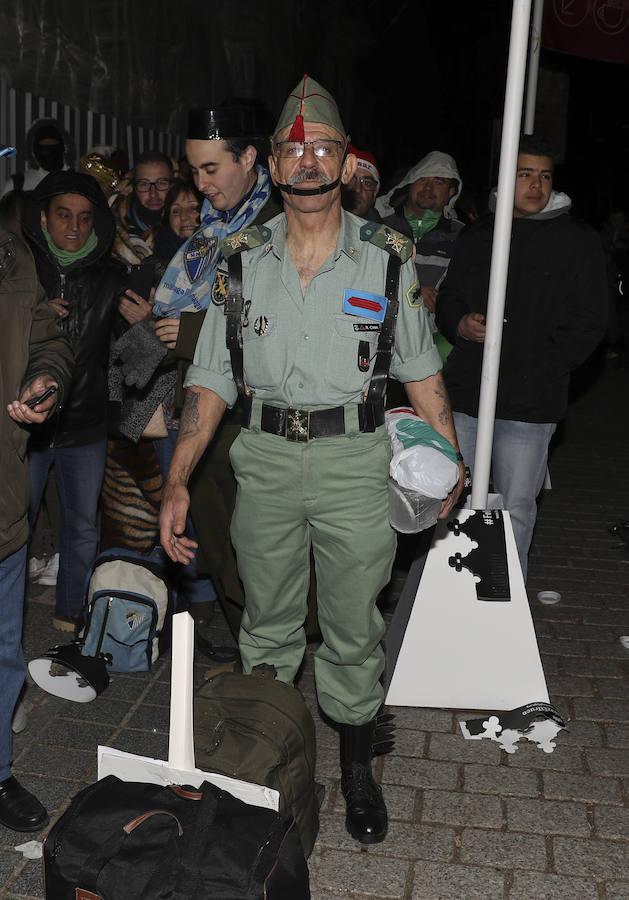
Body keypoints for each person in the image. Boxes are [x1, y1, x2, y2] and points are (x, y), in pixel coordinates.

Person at [160, 75, 465, 845]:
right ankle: (267, 764)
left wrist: (451, 462)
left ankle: (357, 769)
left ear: (343, 160)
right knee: (266, 624)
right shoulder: (237, 259)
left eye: (321, 149)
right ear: (272, 160)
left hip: (355, 464)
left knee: (351, 626)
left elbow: (423, 372)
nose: (306, 164)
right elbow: (210, 378)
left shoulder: (389, 261)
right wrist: (175, 481)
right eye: (294, 151)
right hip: (260, 459)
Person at [436, 135, 608, 579]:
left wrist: (546, 365)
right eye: (525, 174)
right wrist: (460, 323)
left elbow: (591, 320)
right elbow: (450, 296)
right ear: (504, 180)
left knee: (516, 505)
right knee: (455, 494)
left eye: (545, 176)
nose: (536, 185)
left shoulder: (577, 241)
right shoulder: (480, 235)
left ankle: (504, 596)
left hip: (532, 400)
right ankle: (455, 591)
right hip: (469, 392)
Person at [148, 102, 281, 644]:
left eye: (211, 169)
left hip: (252, 419)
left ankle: (267, 658)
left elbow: (276, 327)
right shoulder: (212, 228)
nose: (200, 185)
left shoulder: (277, 225)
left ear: (249, 157)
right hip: (203, 409)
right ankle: (248, 650)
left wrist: (191, 333)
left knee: (257, 550)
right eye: (194, 170)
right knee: (218, 540)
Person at [22, 170, 125, 630]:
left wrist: (150, 330)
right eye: (63, 214)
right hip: (24, 423)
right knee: (13, 522)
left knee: (82, 525)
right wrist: (32, 316)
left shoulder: (111, 277)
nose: (73, 226)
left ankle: (69, 614)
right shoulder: (18, 271)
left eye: (84, 218)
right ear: (43, 219)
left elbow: (128, 358)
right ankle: (11, 612)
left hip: (85, 422)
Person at [1, 189, 73, 831]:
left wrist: (44, 382)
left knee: (2, 650)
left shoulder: (11, 254)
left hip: (2, 500)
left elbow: (50, 340)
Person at [377, 151, 463, 364]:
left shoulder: (461, 237)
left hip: (429, 341)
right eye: (422, 179)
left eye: (439, 181)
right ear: (409, 183)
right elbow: (360, 277)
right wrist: (413, 294)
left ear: (451, 192)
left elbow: (460, 295)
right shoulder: (379, 224)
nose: (427, 187)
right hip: (375, 334)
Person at [1, 118, 75, 197]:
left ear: (64, 147)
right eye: (44, 146)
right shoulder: (16, 185)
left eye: (53, 144)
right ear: (33, 152)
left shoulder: (77, 182)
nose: (49, 152)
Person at [341, 145, 381, 220]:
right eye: (351, 179)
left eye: (367, 183)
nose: (357, 189)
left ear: (374, 194)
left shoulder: (383, 230)